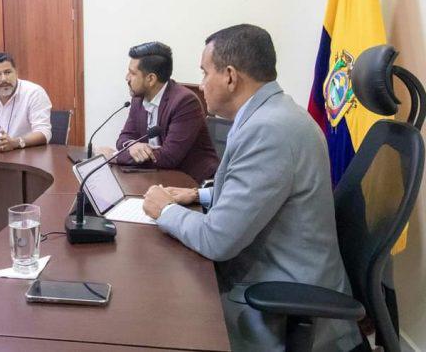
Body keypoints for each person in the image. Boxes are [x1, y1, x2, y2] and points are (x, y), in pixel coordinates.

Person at [142, 25, 362, 351]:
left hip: (282, 294)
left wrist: (166, 210)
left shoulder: (270, 130)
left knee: (159, 311)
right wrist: (200, 195)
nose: (201, 85)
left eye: (205, 73)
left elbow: (217, 240)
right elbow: (266, 192)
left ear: (230, 76)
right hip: (281, 272)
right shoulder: (274, 113)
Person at [116, 41, 219, 183]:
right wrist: (132, 146)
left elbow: (168, 157)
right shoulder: (138, 99)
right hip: (159, 178)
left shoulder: (185, 102)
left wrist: (117, 156)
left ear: (151, 79)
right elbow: (124, 138)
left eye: (132, 73)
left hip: (194, 184)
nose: (127, 77)